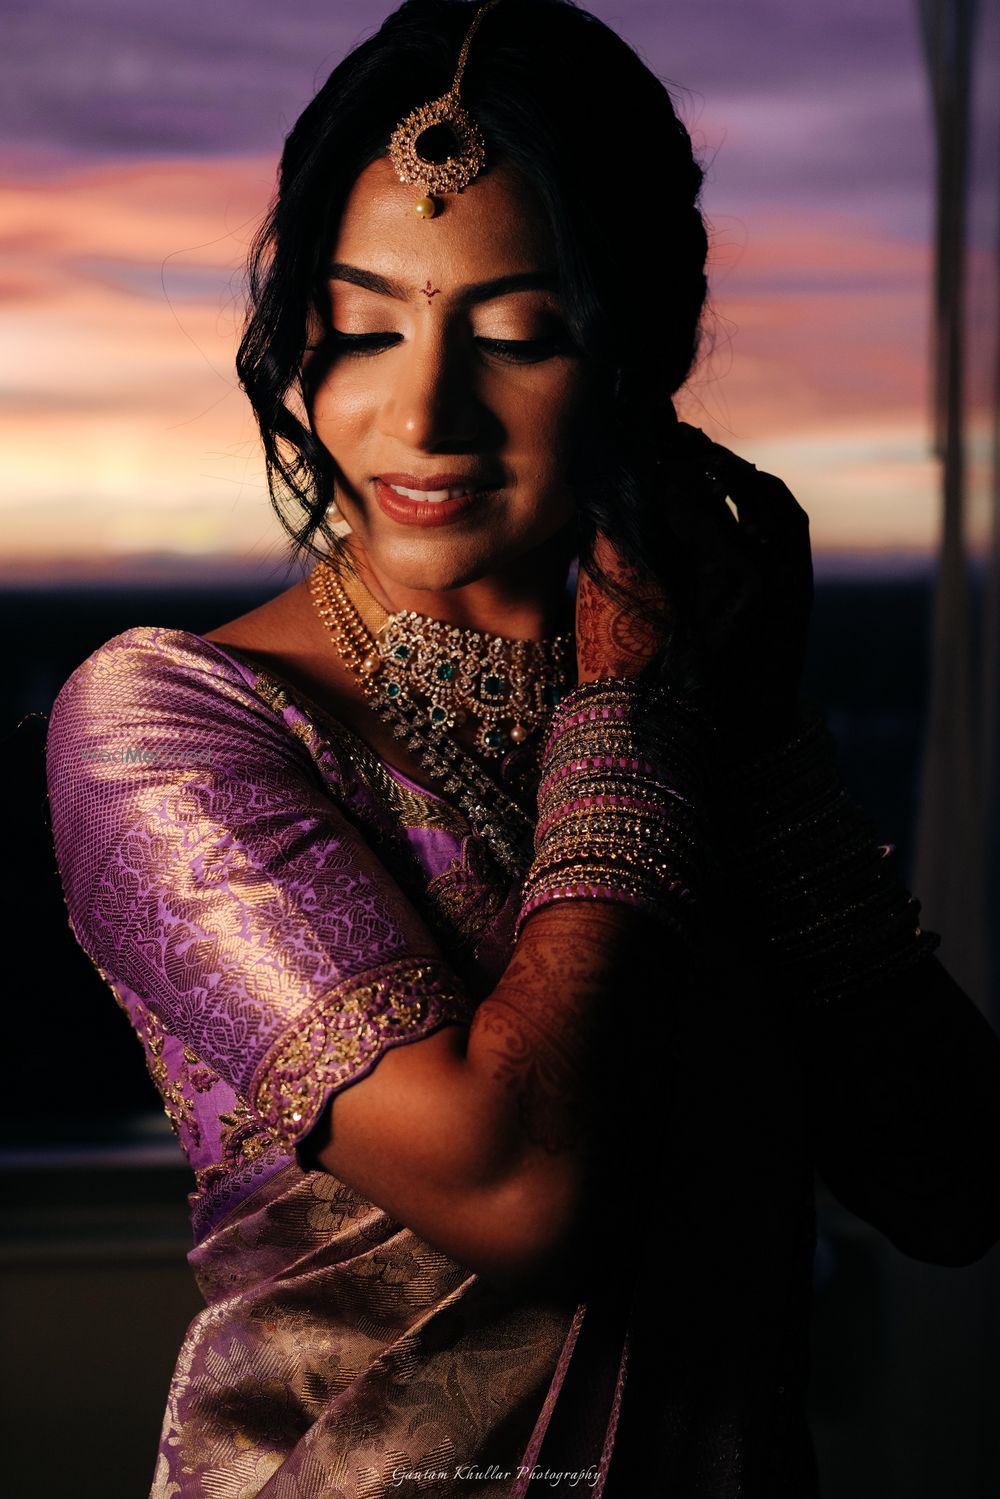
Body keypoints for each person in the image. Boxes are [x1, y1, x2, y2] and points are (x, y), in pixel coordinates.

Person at [44, 1, 1000, 1495]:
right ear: (297, 335)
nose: (423, 411)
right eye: (362, 328)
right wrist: (628, 723)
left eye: (518, 335)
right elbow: (522, 1188)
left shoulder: (697, 717)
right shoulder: (168, 724)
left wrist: (752, 732)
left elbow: (953, 1181)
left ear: (647, 352)